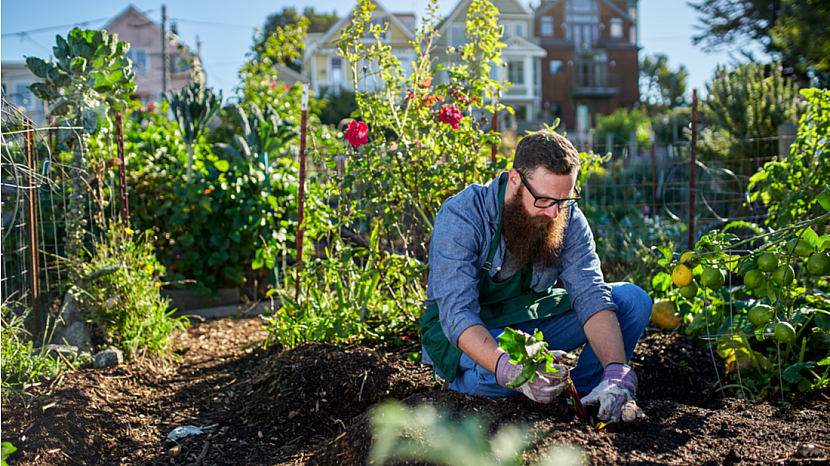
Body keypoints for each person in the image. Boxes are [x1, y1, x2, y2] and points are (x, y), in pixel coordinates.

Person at [420, 130, 652, 423]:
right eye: (543, 200)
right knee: (497, 377)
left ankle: (585, 397)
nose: (555, 214)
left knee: (632, 301)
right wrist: (507, 366)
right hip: (466, 332)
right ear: (515, 179)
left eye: (564, 200)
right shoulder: (464, 215)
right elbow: (457, 314)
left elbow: (590, 293)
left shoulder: (565, 216)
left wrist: (616, 369)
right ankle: (463, 388)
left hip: (526, 320)